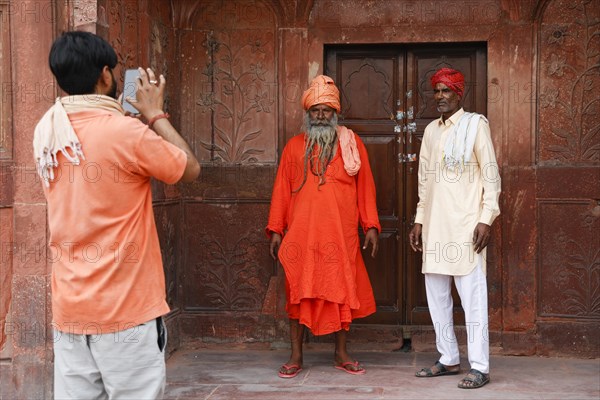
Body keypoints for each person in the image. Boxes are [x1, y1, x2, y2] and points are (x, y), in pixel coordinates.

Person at [34, 31, 200, 399]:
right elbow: (189, 168)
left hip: (70, 312)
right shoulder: (125, 132)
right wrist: (154, 113)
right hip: (126, 311)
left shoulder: (47, 132)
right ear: (107, 76)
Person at [266, 75, 380, 378]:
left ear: (335, 113)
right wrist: (277, 229)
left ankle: (341, 353)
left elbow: (365, 187)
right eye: (315, 110)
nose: (320, 116)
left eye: (326, 110)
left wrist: (370, 224)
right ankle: (296, 356)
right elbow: (281, 190)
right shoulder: (293, 147)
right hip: (302, 236)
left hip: (340, 236)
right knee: (297, 294)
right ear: (307, 113)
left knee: (340, 291)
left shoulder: (351, 144)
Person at [409, 67, 501, 389]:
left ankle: (480, 366)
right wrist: (419, 219)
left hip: (466, 227)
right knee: (437, 297)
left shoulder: (475, 126)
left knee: (472, 298)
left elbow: (491, 176)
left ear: (459, 94)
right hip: (435, 227)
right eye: (436, 91)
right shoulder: (432, 131)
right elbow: (425, 181)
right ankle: (448, 358)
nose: (440, 97)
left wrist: (485, 219)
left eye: (446, 91)